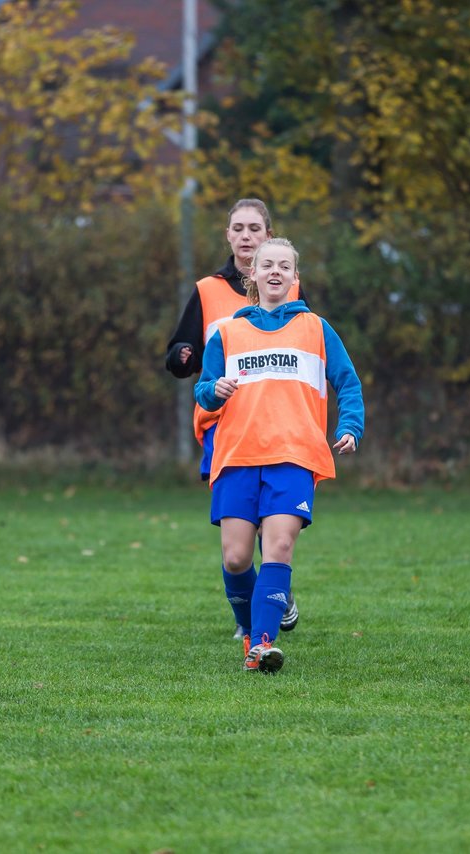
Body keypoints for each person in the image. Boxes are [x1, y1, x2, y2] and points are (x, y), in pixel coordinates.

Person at [194, 238, 364, 673]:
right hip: (236, 455)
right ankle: (254, 626)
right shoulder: (229, 331)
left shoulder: (316, 328)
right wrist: (213, 391)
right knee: (235, 558)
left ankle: (262, 646)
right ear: (251, 274)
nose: (274, 271)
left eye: (283, 266)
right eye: (266, 264)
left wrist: (349, 427)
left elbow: (348, 382)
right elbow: (203, 391)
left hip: (293, 455)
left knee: (279, 546)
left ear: (294, 277)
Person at [165, 198, 307, 637]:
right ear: (228, 236)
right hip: (223, 424)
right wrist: (185, 355)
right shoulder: (208, 289)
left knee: (275, 529)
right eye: (238, 229)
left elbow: (310, 348)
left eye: (255, 229)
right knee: (239, 538)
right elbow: (177, 353)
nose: (246, 237)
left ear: (268, 236)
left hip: (279, 426)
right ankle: (249, 622)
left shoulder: (290, 287)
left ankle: (272, 600)